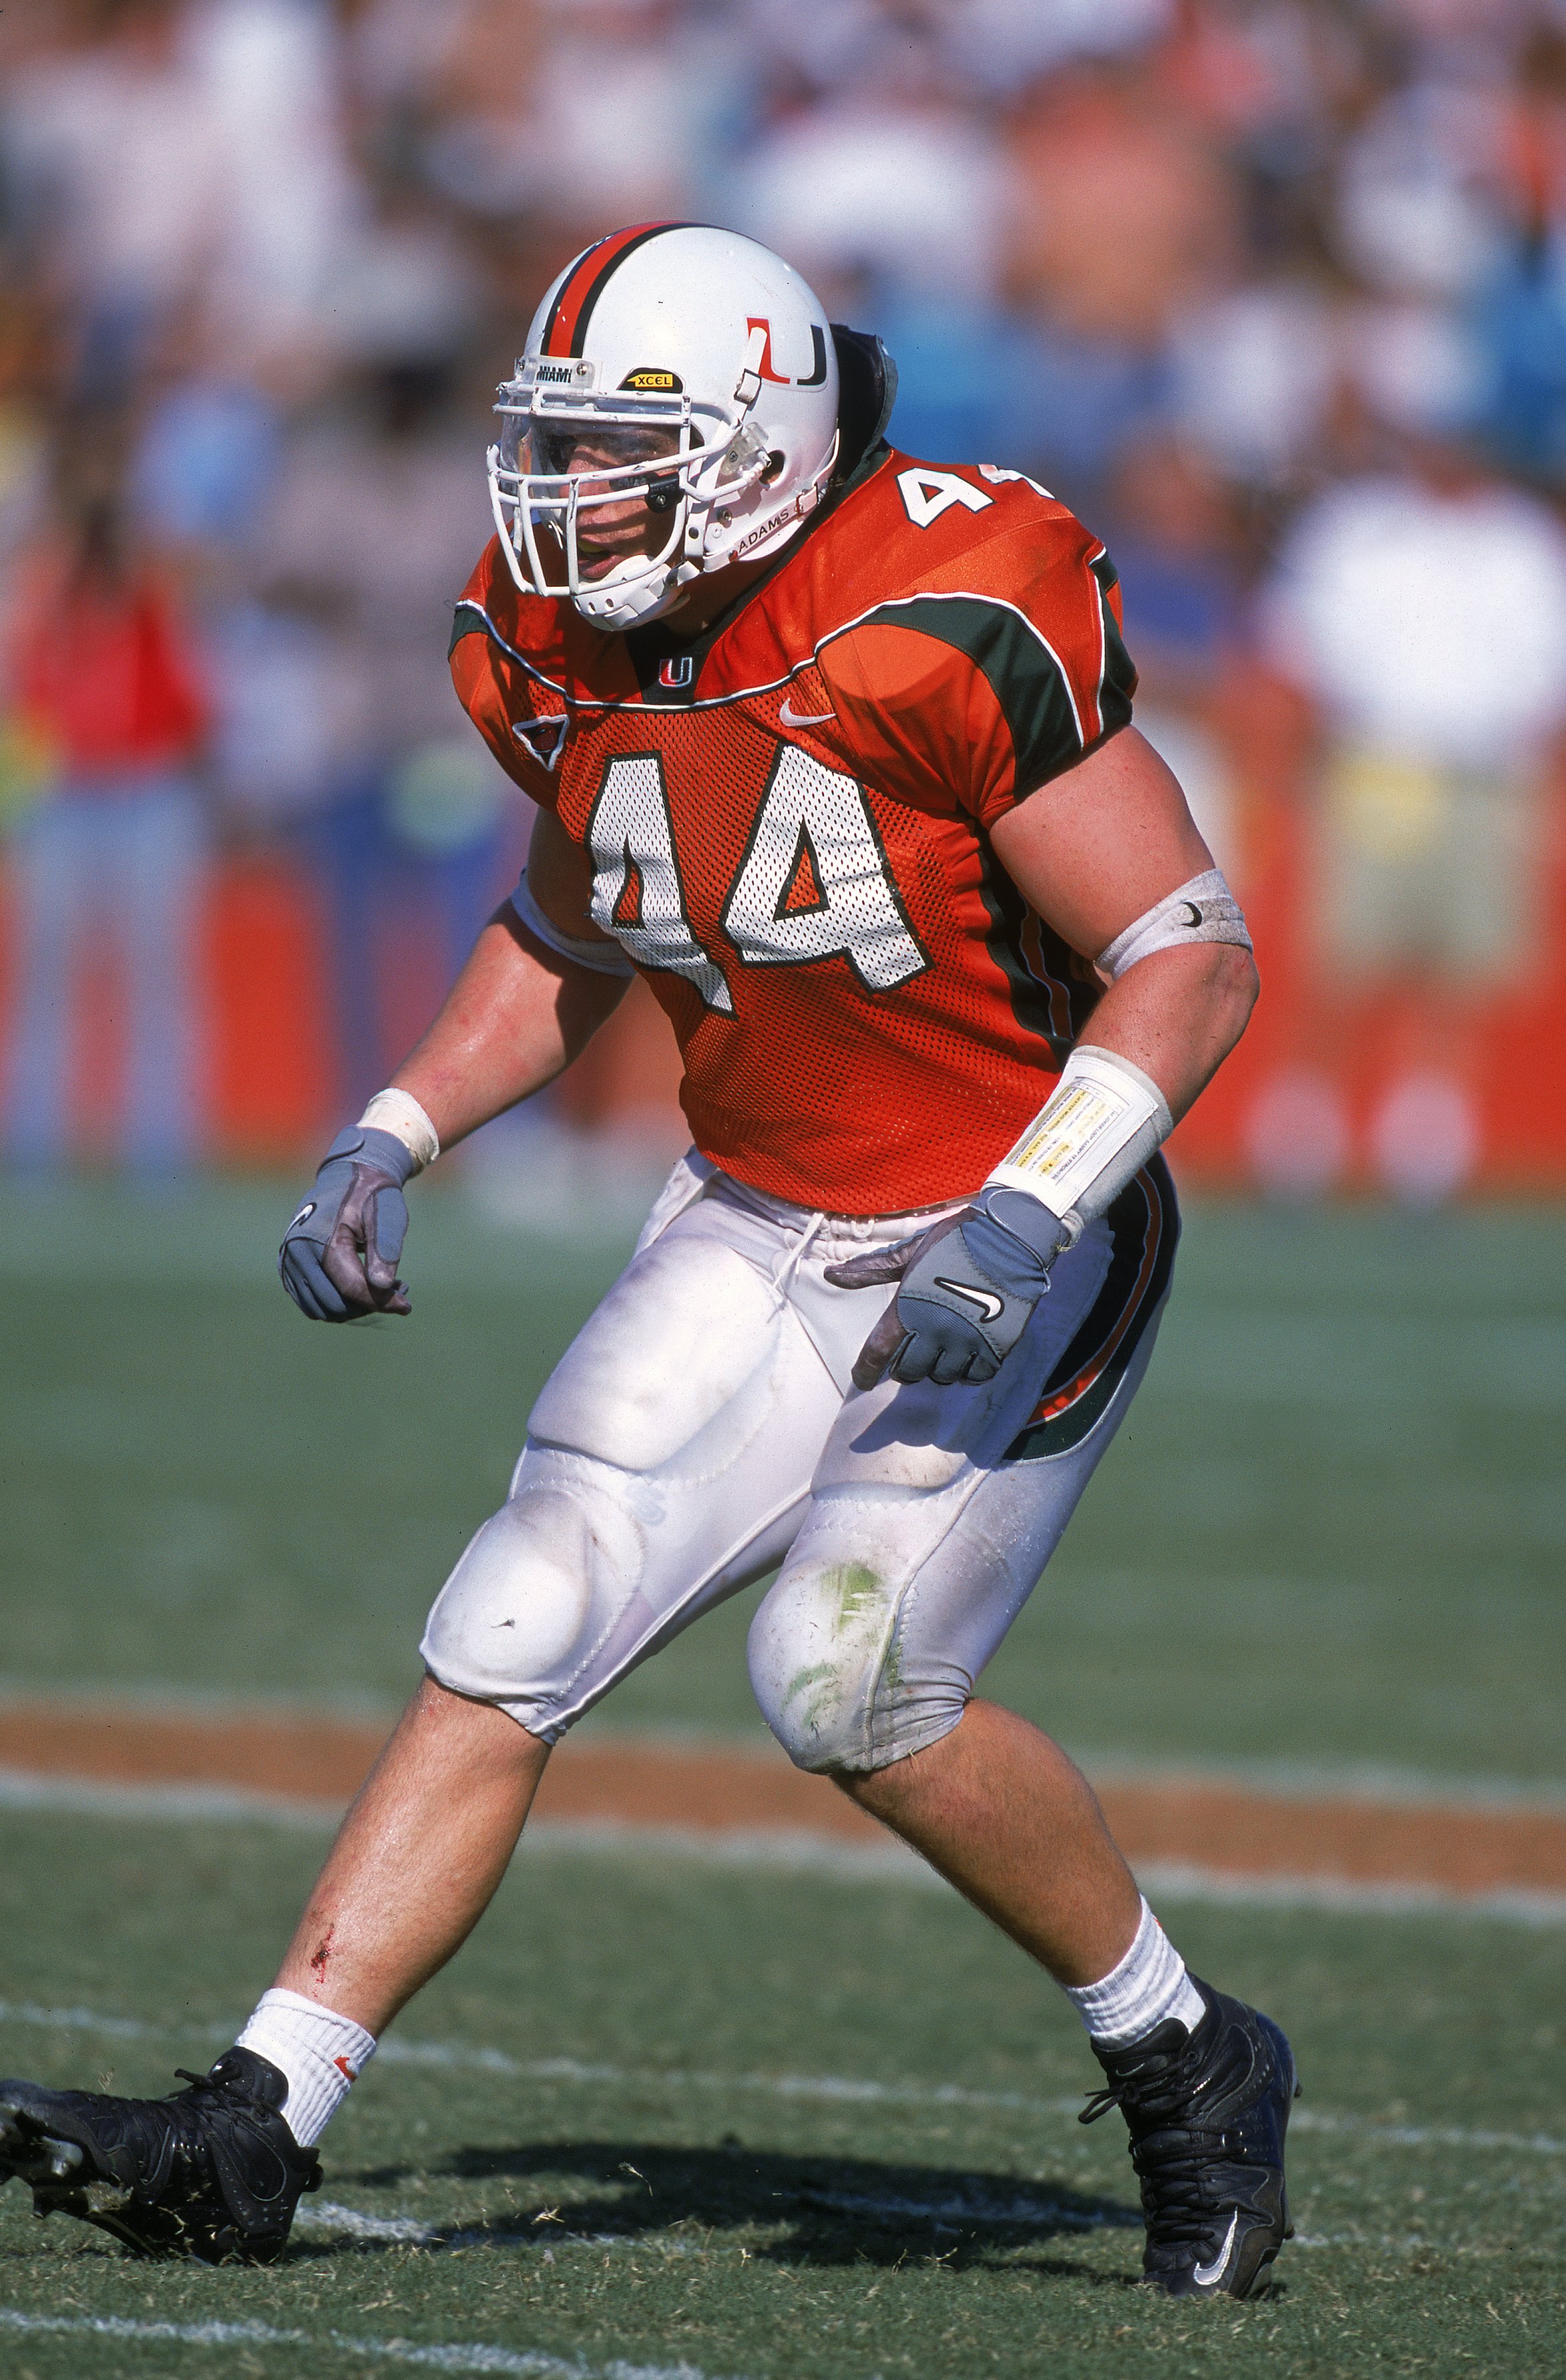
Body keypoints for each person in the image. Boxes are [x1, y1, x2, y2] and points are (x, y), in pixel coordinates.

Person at [0, 225, 1292, 2299]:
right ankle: (262, 2115)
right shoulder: (554, 635)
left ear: (763, 450)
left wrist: (1029, 1204)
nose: (563, 496)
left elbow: (1188, 956)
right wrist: (397, 1123)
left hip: (1011, 1218)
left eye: (621, 449)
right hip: (757, 1210)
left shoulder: (937, 604)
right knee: (516, 1608)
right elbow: (572, 920)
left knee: (845, 1680)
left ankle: (1186, 2046)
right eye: (558, 445)